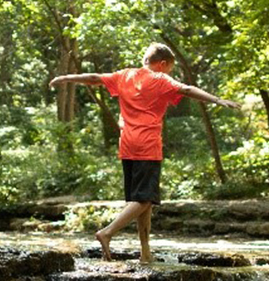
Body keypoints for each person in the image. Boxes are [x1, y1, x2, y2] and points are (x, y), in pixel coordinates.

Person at [49, 42, 238, 263]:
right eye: (170, 69)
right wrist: (216, 99)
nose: (170, 74)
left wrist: (66, 78)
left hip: (127, 144)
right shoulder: (160, 78)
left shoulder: (125, 75)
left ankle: (145, 252)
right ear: (163, 64)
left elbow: (94, 77)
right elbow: (185, 89)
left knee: (139, 201)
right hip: (147, 145)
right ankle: (107, 232)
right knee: (146, 199)